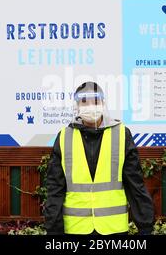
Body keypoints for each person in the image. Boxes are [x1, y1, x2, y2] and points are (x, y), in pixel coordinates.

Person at [44, 81, 154, 235]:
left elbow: (135, 184)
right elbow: (55, 188)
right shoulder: (64, 137)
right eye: (84, 102)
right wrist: (54, 231)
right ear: (77, 106)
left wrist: (145, 227)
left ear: (103, 103)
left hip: (113, 229)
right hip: (76, 228)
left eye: (95, 101)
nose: (90, 106)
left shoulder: (121, 134)